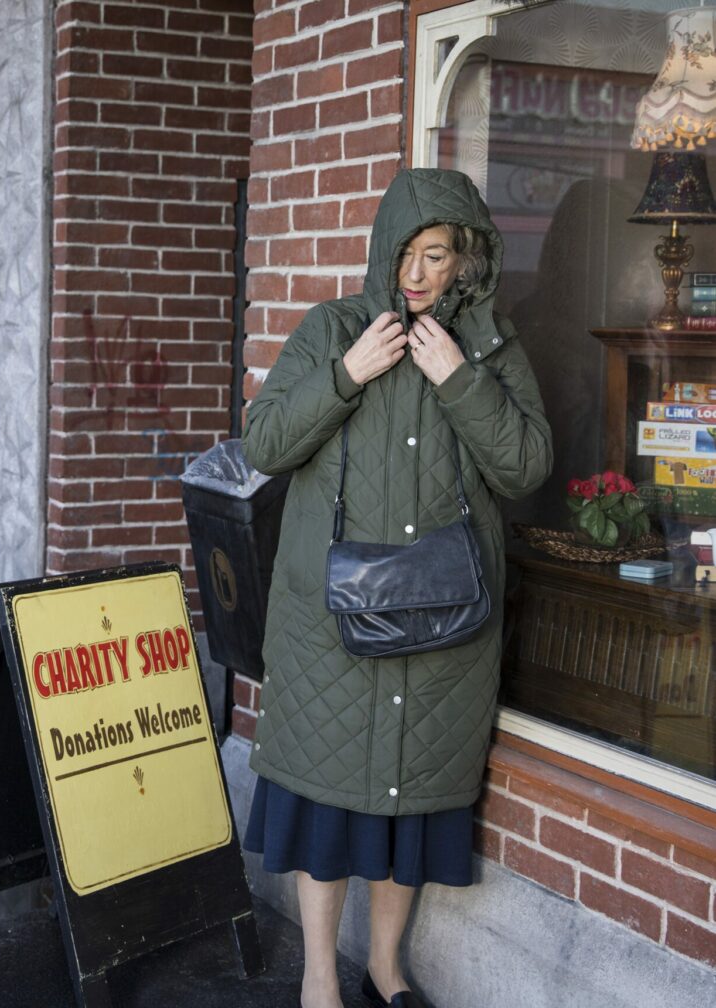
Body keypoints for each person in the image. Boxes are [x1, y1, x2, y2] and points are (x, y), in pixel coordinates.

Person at [242, 169, 552, 1008]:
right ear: (386, 252)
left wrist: (459, 378)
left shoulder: (488, 346)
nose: (419, 273)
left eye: (439, 255)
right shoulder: (334, 326)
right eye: (408, 253)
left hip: (445, 622)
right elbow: (264, 443)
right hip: (330, 623)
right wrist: (346, 374)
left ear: (465, 262)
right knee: (328, 807)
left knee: (404, 809)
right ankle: (317, 977)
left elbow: (526, 467)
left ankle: (385, 967)